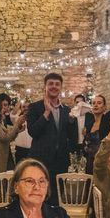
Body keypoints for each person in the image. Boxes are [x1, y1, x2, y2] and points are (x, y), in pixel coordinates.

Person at [27, 73, 78, 205]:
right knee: (39, 196)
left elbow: (72, 136)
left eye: (57, 84)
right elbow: (33, 132)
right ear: (45, 86)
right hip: (40, 161)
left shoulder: (67, 110)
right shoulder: (35, 107)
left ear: (61, 87)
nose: (54, 87)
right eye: (51, 84)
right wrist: (47, 112)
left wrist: (73, 121)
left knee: (57, 199)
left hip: (61, 161)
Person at [11, 99, 32, 164]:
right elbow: (12, 114)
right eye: (24, 107)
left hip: (32, 150)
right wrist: (20, 101)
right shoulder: (17, 119)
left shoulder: (35, 118)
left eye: (28, 106)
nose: (26, 108)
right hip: (20, 150)